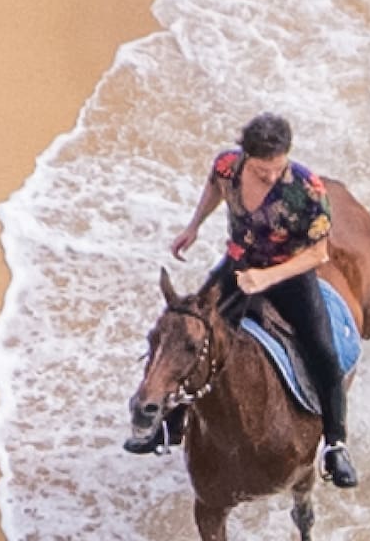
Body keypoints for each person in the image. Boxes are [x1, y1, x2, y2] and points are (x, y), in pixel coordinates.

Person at [137, 112, 358, 489]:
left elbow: (318, 254)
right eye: (261, 171)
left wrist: (267, 277)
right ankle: (169, 425)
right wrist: (194, 226)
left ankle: (335, 445)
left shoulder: (308, 191)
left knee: (323, 351)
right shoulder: (227, 166)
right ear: (245, 158)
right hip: (239, 267)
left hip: (290, 276)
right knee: (190, 332)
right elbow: (214, 187)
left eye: (277, 168)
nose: (271, 177)